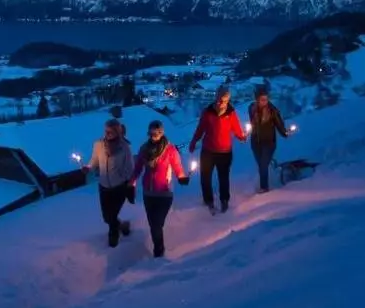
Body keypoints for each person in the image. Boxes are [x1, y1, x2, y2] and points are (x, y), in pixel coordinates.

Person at [131, 120, 189, 258]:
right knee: (154, 225)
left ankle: (158, 250)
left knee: (157, 224)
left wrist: (181, 177)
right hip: (148, 193)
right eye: (151, 133)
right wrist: (130, 184)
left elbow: (177, 166)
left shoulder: (170, 149)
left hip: (164, 193)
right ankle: (159, 250)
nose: (153, 136)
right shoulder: (144, 149)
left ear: (161, 133)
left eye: (156, 133)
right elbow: (138, 168)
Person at [188, 85, 247, 213]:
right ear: (216, 97)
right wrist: (194, 141)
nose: (221, 102)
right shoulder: (208, 112)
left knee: (223, 177)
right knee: (205, 177)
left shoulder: (231, 113)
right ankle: (208, 200)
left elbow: (236, 128)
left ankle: (224, 200)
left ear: (228, 100)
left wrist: (241, 136)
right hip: (208, 151)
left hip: (225, 152)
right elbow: (200, 129)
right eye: (220, 99)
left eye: (224, 100)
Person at [83, 118, 135, 247]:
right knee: (107, 217)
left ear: (118, 131)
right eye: (106, 131)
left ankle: (113, 235)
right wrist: (89, 167)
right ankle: (122, 226)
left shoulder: (124, 147)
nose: (108, 133)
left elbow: (130, 167)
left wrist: (129, 184)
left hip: (119, 187)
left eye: (111, 131)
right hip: (104, 186)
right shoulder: (98, 144)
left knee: (112, 214)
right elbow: (94, 159)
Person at [248, 86, 290, 193]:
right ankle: (271, 169)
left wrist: (285, 133)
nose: (265, 102)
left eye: (266, 99)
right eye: (262, 99)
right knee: (261, 165)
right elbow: (252, 122)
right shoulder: (251, 108)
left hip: (269, 143)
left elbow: (279, 124)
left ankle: (264, 188)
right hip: (256, 142)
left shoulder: (273, 111)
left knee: (263, 165)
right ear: (257, 99)